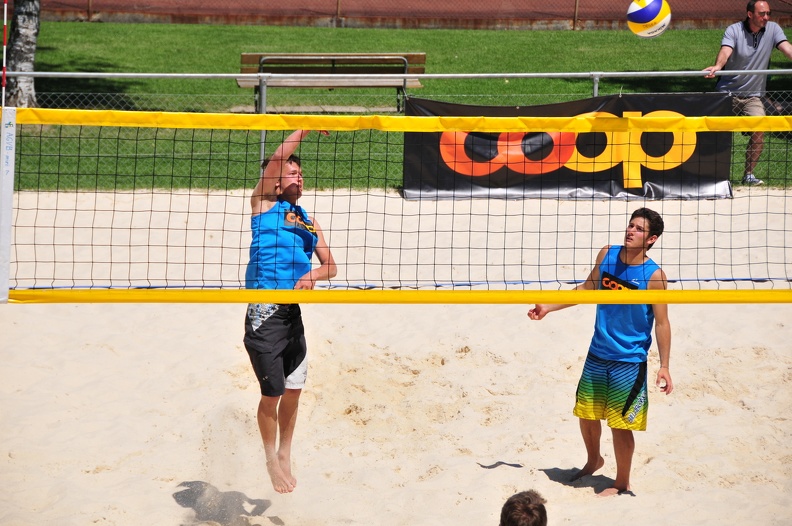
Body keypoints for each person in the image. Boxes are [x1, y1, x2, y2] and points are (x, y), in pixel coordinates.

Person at [528, 208, 673, 497]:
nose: (631, 231)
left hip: (628, 360)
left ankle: (621, 482)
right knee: (587, 413)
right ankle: (594, 460)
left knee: (620, 425)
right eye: (630, 226)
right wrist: (548, 306)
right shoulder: (608, 254)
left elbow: (662, 322)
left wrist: (665, 366)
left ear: (652, 239)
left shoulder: (654, 275)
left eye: (639, 229)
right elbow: (587, 289)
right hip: (598, 351)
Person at [243, 129, 337, 494]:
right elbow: (279, 157)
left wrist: (314, 274)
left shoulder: (307, 220)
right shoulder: (264, 204)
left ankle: (284, 453)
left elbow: (331, 265)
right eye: (291, 173)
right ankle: (269, 459)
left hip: (291, 313)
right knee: (273, 393)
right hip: (264, 311)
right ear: (276, 182)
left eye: (301, 174)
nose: (298, 177)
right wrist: (303, 127)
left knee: (294, 390)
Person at [704, 1, 792, 185]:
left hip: (753, 96)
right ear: (750, 14)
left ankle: (748, 174)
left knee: (759, 130)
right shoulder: (734, 30)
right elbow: (725, 50)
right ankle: (708, 173)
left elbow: (787, 48)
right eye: (762, 14)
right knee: (713, 132)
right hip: (727, 94)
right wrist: (718, 66)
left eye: (768, 13)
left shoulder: (773, 29)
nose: (766, 17)